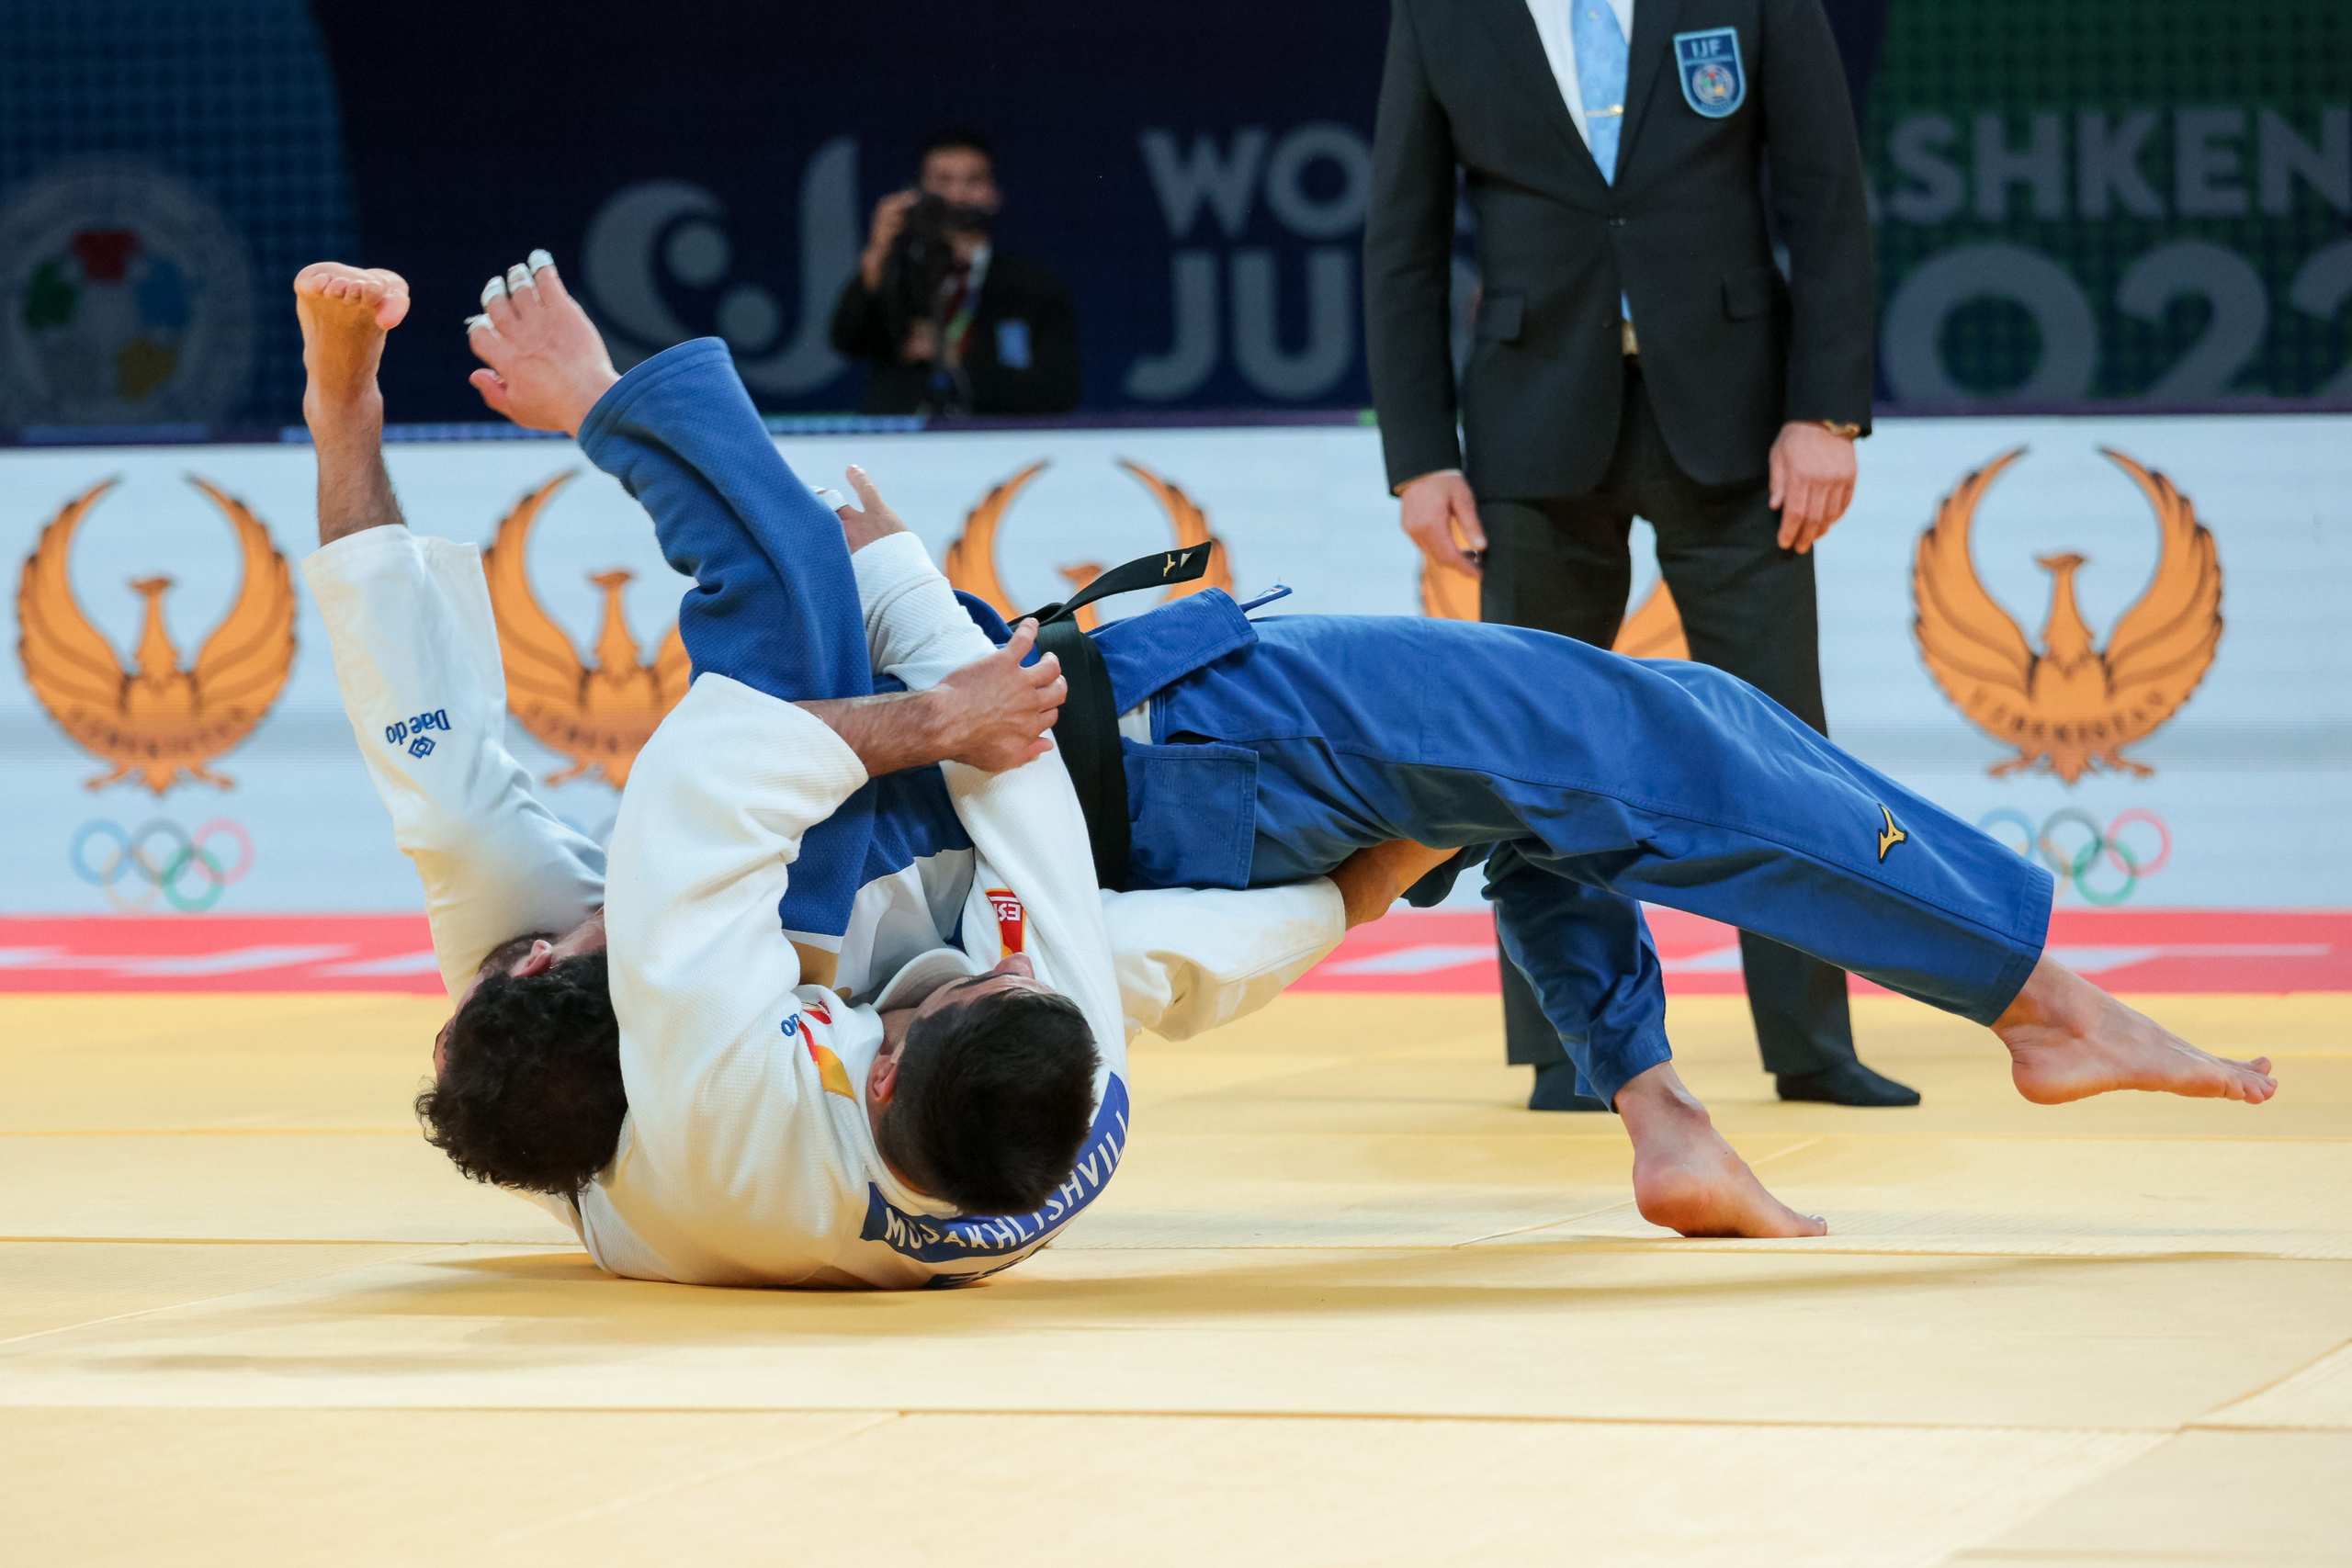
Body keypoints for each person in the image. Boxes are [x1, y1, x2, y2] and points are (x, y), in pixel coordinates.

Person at [451, 253, 2278, 1247]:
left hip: (1176, 794)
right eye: (554, 937)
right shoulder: (727, 937)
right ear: (566, 973)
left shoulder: (706, 1150)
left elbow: (1115, 952)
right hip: (1195, 734)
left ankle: (1657, 1111)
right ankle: (2029, 991)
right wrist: (607, 400)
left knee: (1539, 776)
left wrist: (1333, 893)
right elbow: (766, 589)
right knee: (1668, 732)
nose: (569, 911)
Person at [295, 258, 1369, 1288]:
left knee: (443, 789)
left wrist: (1357, 898)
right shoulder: (743, 1107)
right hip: (841, 939)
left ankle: (341, 415)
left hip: (628, 1041)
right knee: (793, 612)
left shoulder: (574, 1124)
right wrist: (947, 703)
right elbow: (1131, 952)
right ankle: (603, 410)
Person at [1365, 0, 1907, 1110]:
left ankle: (1812, 1044)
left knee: (1778, 738)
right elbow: (1403, 239)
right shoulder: (1442, 15)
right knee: (1536, 752)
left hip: (1739, 416)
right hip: (1530, 419)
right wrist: (1419, 456)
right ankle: (1571, 1050)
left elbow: (1825, 194)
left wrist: (1826, 410)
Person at [828, 128, 1081, 416]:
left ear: (995, 193)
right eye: (943, 181)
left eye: (973, 181)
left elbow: (1057, 393)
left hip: (994, 446)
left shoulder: (1032, 286)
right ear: (916, 192)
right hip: (900, 443)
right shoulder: (901, 274)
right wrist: (878, 251)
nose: (958, 195)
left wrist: (959, 357)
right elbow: (846, 340)